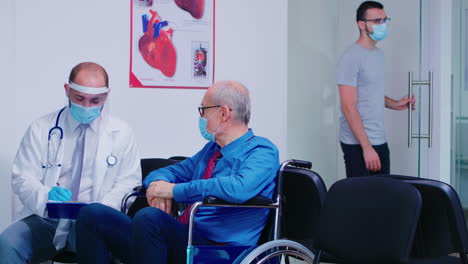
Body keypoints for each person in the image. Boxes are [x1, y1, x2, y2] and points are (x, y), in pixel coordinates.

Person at [76, 80, 279, 264]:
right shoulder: (211, 150)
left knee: (150, 219)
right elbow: (165, 172)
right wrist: (158, 189)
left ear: (224, 113)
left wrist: (173, 191)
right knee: (92, 214)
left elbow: (238, 188)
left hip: (220, 250)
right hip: (186, 238)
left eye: (203, 110)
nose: (201, 117)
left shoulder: (262, 151)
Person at [0, 62, 141, 263]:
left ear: (106, 97)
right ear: (67, 90)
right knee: (8, 243)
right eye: (79, 98)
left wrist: (98, 210)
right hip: (48, 218)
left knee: (95, 238)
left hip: (94, 222)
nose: (86, 106)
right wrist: (46, 196)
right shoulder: (40, 128)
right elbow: (23, 178)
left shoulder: (122, 133)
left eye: (95, 101)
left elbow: (128, 183)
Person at [337, 1, 415, 178]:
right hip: (358, 143)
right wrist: (366, 147)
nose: (383, 25)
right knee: (362, 200)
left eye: (385, 20)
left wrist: (395, 104)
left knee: (382, 197)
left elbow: (371, 92)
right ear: (362, 24)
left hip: (378, 138)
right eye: (377, 21)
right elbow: (348, 106)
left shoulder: (378, 55)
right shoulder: (350, 57)